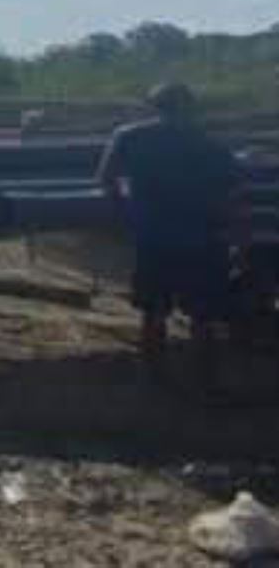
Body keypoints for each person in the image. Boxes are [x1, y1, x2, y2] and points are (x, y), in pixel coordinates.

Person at [96, 82, 240, 390]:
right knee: (203, 317)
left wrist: (126, 216)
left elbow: (106, 180)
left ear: (154, 106)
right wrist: (239, 236)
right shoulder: (210, 144)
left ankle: (154, 380)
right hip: (202, 241)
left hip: (154, 239)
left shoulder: (129, 136)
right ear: (191, 107)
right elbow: (231, 198)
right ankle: (205, 383)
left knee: (153, 313)